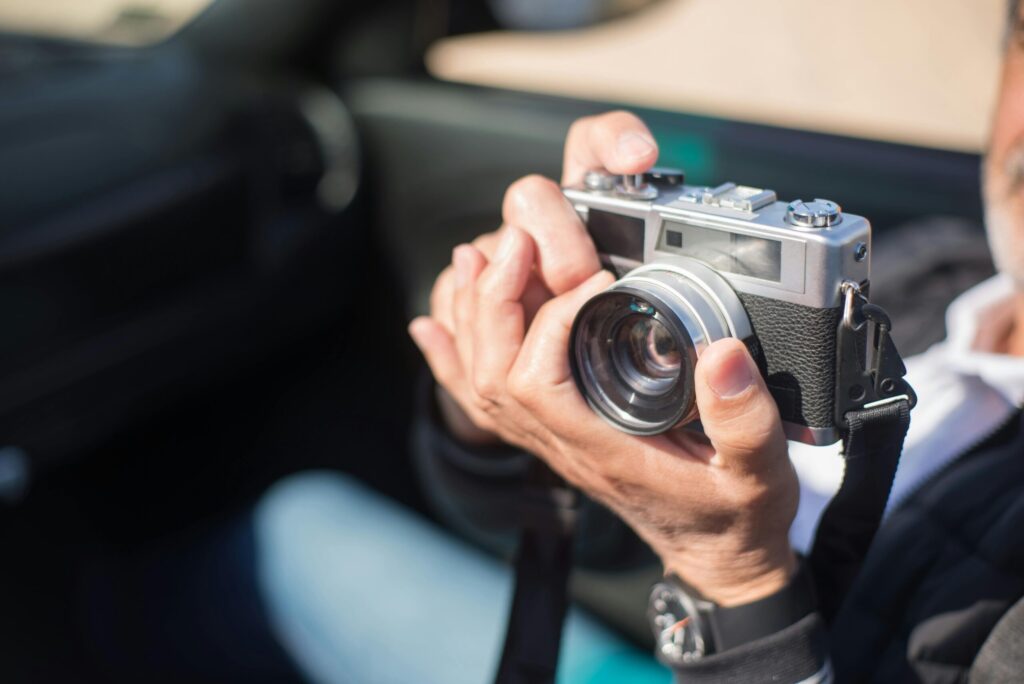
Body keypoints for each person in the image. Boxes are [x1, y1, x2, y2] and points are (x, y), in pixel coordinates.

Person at [251, 3, 1024, 681]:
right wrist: (505, 420)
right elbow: (609, 534)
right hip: (642, 625)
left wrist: (729, 572)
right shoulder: (932, 273)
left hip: (700, 649)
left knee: (270, 547)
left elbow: (695, 554)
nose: (656, 348)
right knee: (293, 516)